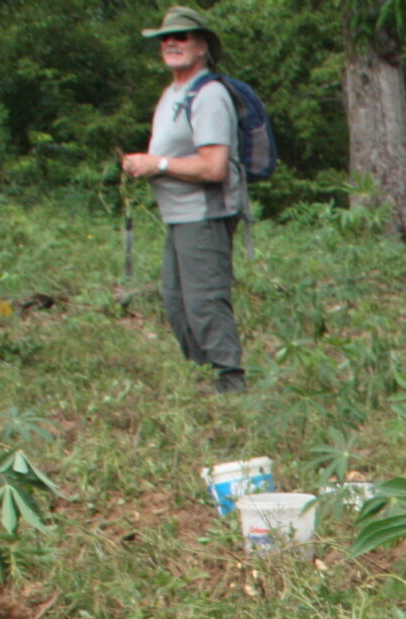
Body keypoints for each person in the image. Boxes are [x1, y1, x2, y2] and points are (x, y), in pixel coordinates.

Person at [121, 6, 246, 395]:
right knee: (176, 302)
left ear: (203, 46)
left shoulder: (209, 95)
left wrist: (155, 163)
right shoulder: (173, 93)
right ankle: (203, 378)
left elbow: (214, 167)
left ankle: (230, 383)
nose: (171, 43)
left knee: (205, 301)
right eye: (165, 38)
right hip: (178, 215)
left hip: (204, 215)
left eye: (182, 37)